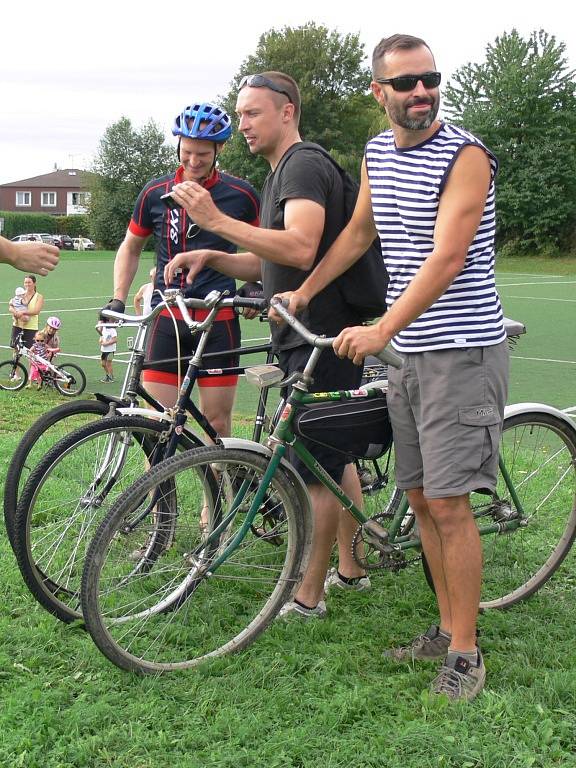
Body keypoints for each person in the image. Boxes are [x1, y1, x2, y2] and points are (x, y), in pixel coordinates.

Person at [273, 35, 509, 701]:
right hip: (408, 353)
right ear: (378, 92)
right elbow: (358, 233)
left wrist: (381, 328)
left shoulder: (465, 156)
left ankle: (465, 653)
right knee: (414, 493)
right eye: (405, 83)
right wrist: (307, 290)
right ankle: (445, 625)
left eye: (429, 79)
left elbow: (448, 257)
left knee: (448, 503)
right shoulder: (378, 151)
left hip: (459, 351)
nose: (420, 92)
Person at [164, 72, 371, 620]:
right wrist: (213, 257)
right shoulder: (282, 171)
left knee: (311, 466)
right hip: (305, 336)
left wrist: (215, 221)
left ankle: (309, 595)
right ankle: (350, 567)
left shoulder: (302, 164)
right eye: (240, 113)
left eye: (252, 113)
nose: (242, 124)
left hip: (322, 336)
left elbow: (301, 247)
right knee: (331, 455)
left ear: (287, 112)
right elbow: (268, 259)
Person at [103, 102, 260, 440]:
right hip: (167, 318)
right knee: (155, 426)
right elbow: (130, 247)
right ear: (177, 145)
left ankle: (216, 493)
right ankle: (160, 494)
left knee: (216, 425)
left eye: (203, 153)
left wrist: (252, 283)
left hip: (217, 318)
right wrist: (118, 297)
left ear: (219, 149)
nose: (193, 161)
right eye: (187, 151)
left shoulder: (241, 194)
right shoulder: (154, 192)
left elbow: (264, 248)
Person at [9, 275, 44, 349]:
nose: (27, 284)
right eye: (25, 282)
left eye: (29, 282)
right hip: (17, 326)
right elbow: (11, 306)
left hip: (31, 328)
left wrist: (22, 313)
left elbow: (36, 311)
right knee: (16, 350)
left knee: (31, 352)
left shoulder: (39, 297)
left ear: (34, 283)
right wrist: (15, 313)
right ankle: (15, 361)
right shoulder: (20, 294)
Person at [96, 316, 118, 382]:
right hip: (104, 350)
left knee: (108, 363)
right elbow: (102, 336)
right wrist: (100, 339)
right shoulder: (104, 328)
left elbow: (115, 340)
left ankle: (111, 377)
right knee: (103, 364)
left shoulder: (113, 330)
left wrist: (106, 343)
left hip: (110, 350)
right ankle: (108, 375)